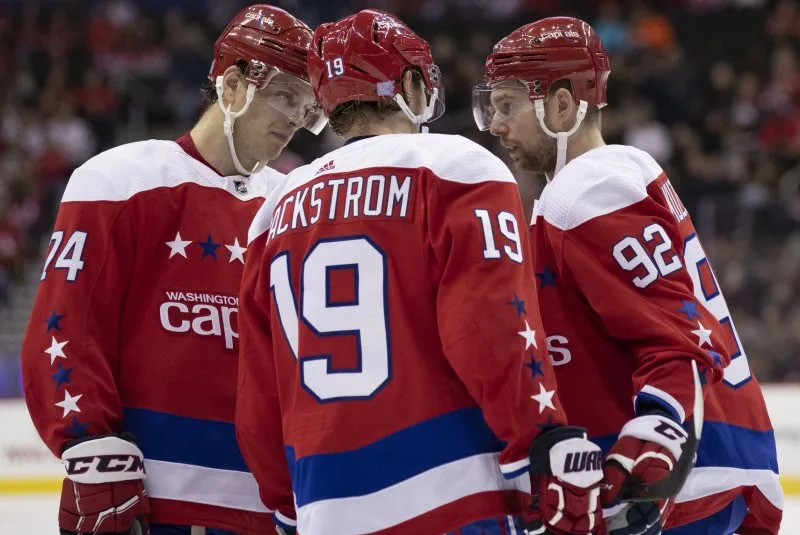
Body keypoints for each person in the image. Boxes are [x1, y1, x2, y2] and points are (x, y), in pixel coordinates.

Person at [236, 9, 607, 535]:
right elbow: (490, 324)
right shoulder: (456, 167)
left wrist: (285, 505)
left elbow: (257, 391)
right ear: (410, 85)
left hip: (323, 505)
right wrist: (543, 437)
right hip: (451, 494)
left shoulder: (274, 210)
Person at [20, 5, 326, 534]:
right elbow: (65, 325)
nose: (296, 120)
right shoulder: (122, 178)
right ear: (232, 85)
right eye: (285, 97)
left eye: (306, 106)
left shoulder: (292, 204)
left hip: (271, 510)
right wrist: (90, 449)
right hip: (150, 501)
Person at [473, 16, 783, 535]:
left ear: (563, 105)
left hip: (685, 483)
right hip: (715, 465)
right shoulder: (611, 179)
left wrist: (650, 452)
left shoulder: (590, 189)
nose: (496, 124)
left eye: (507, 106)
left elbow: (675, 342)